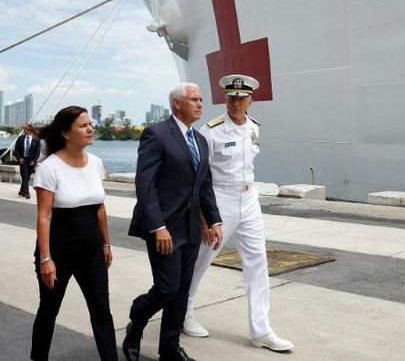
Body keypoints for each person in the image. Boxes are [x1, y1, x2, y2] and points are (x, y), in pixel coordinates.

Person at [182, 74, 294, 352]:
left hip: (249, 198)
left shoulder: (255, 128)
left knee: (258, 263)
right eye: (231, 97)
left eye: (241, 98)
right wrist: (205, 218)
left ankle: (262, 330)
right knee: (201, 258)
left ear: (250, 101)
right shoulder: (212, 130)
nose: (236, 102)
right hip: (219, 198)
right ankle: (183, 312)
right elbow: (199, 178)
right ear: (226, 99)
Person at [122, 82, 224, 361]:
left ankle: (170, 349)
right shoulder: (156, 134)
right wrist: (158, 227)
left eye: (201, 99)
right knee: (167, 288)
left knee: (181, 291)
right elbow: (145, 185)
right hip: (163, 228)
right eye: (194, 99)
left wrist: (214, 221)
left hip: (191, 227)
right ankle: (136, 322)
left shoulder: (200, 140)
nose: (201, 104)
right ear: (177, 104)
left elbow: (204, 186)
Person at [30, 106, 118, 361]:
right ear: (66, 133)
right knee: (49, 309)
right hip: (58, 253)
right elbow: (44, 216)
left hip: (92, 251)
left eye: (90, 124)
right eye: (82, 125)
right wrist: (46, 259)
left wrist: (107, 245)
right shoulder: (50, 167)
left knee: (102, 310)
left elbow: (99, 208)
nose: (90, 128)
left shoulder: (96, 163)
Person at [13, 125, 41, 199]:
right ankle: (26, 192)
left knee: (27, 177)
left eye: (27, 129)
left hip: (31, 161)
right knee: (25, 175)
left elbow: (38, 152)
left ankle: (21, 190)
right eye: (25, 129)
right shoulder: (20, 138)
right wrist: (19, 158)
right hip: (23, 160)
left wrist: (34, 161)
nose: (25, 130)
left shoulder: (36, 139)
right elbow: (16, 150)